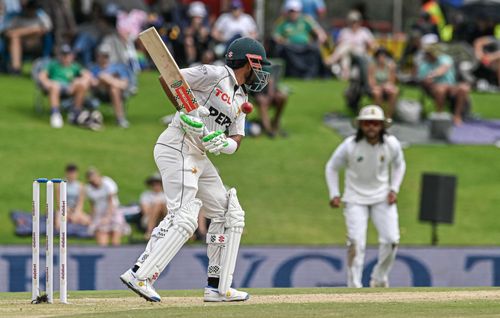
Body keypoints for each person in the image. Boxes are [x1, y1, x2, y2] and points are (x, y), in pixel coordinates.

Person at [120, 37, 271, 303]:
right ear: (250, 61)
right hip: (177, 144)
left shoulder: (242, 96)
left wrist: (224, 144)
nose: (262, 73)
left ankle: (218, 287)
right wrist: (184, 110)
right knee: (185, 216)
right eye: (259, 66)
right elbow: (169, 78)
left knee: (228, 212)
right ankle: (140, 274)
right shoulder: (213, 73)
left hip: (199, 155)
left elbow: (238, 137)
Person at [325, 105, 406, 288]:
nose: (371, 127)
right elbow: (331, 167)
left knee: (392, 240)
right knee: (355, 243)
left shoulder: (391, 144)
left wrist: (394, 189)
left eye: (375, 123)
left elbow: (400, 165)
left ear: (382, 126)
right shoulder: (350, 145)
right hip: (354, 198)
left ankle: (379, 278)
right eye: (367, 123)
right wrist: (334, 193)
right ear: (361, 125)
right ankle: (354, 286)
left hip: (382, 197)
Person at [38, 43, 92, 128]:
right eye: (63, 55)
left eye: (68, 55)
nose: (65, 57)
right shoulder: (53, 64)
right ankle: (55, 114)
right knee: (55, 86)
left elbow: (87, 75)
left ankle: (75, 113)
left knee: (81, 85)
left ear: (71, 56)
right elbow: (42, 75)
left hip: (70, 87)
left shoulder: (75, 66)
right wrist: (47, 83)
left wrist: (78, 81)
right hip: (56, 86)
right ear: (60, 55)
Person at [417, 44, 471, 125]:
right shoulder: (424, 66)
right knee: (440, 89)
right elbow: (424, 81)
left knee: (464, 88)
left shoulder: (445, 58)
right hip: (435, 88)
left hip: (451, 86)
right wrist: (428, 81)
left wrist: (432, 75)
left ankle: (457, 116)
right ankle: (439, 116)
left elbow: (444, 68)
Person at [273, 0, 327, 78]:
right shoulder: (282, 22)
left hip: (306, 46)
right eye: (291, 11)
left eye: (295, 11)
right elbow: (276, 35)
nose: (293, 13)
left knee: (316, 49)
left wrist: (320, 37)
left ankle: (312, 74)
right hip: (290, 47)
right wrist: (283, 41)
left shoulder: (306, 20)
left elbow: (318, 31)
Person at [325, 10, 377, 80]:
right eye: (352, 22)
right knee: (345, 54)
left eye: (355, 21)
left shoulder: (364, 31)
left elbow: (373, 45)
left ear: (360, 22)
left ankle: (332, 59)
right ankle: (345, 73)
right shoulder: (344, 31)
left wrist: (370, 47)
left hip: (360, 52)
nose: (354, 24)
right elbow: (338, 45)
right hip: (345, 52)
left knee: (347, 46)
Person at [3, 0, 52, 74]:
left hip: (37, 44)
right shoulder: (18, 18)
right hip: (20, 44)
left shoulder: (41, 17)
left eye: (33, 8)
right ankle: (16, 69)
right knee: (15, 38)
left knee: (37, 32)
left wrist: (23, 32)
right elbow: (8, 32)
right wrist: (29, 31)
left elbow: (46, 29)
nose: (31, 11)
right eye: (30, 8)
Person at [83, 167, 126, 246]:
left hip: (114, 213)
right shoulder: (88, 188)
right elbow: (92, 205)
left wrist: (108, 217)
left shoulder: (108, 182)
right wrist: (92, 218)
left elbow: (111, 202)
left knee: (115, 239)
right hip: (100, 215)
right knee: (102, 241)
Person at [89, 44, 130, 128]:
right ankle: (120, 119)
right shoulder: (94, 68)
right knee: (102, 76)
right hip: (100, 92)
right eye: (102, 56)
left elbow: (124, 84)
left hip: (116, 92)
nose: (104, 58)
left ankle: (120, 119)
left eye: (106, 56)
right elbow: (93, 83)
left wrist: (108, 80)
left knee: (114, 89)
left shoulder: (118, 67)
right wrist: (105, 79)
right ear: (98, 56)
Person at [251, 65, 288, 137]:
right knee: (262, 101)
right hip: (257, 93)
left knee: (282, 97)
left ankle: (276, 122)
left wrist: (270, 96)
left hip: (268, 92)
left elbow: (271, 81)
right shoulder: (248, 67)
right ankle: (269, 130)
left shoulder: (265, 67)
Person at [56, 163, 91, 228]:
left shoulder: (80, 186)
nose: (72, 175)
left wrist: (76, 213)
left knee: (88, 221)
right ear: (66, 173)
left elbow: (80, 202)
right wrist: (67, 211)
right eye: (70, 173)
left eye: (74, 173)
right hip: (63, 209)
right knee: (59, 224)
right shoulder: (60, 185)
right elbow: (59, 202)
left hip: (75, 210)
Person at [368, 48, 399, 119]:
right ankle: (377, 115)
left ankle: (389, 116)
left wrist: (387, 86)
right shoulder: (372, 66)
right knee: (377, 93)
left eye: (384, 57)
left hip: (387, 87)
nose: (382, 59)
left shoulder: (390, 67)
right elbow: (371, 81)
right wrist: (380, 87)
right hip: (376, 87)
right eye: (380, 57)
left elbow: (392, 81)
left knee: (395, 92)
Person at [139, 173, 167, 240]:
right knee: (157, 205)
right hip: (149, 218)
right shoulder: (146, 195)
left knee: (159, 205)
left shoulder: (166, 195)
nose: (156, 186)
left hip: (164, 216)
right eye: (153, 184)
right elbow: (145, 211)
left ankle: (149, 232)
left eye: (158, 184)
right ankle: (150, 230)